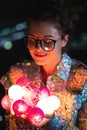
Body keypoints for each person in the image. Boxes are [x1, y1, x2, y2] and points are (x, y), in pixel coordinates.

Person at [0, 0, 87, 129]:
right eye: (32, 40)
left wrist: (53, 123)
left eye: (47, 41)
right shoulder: (17, 74)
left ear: (64, 40)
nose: (38, 48)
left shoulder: (81, 79)